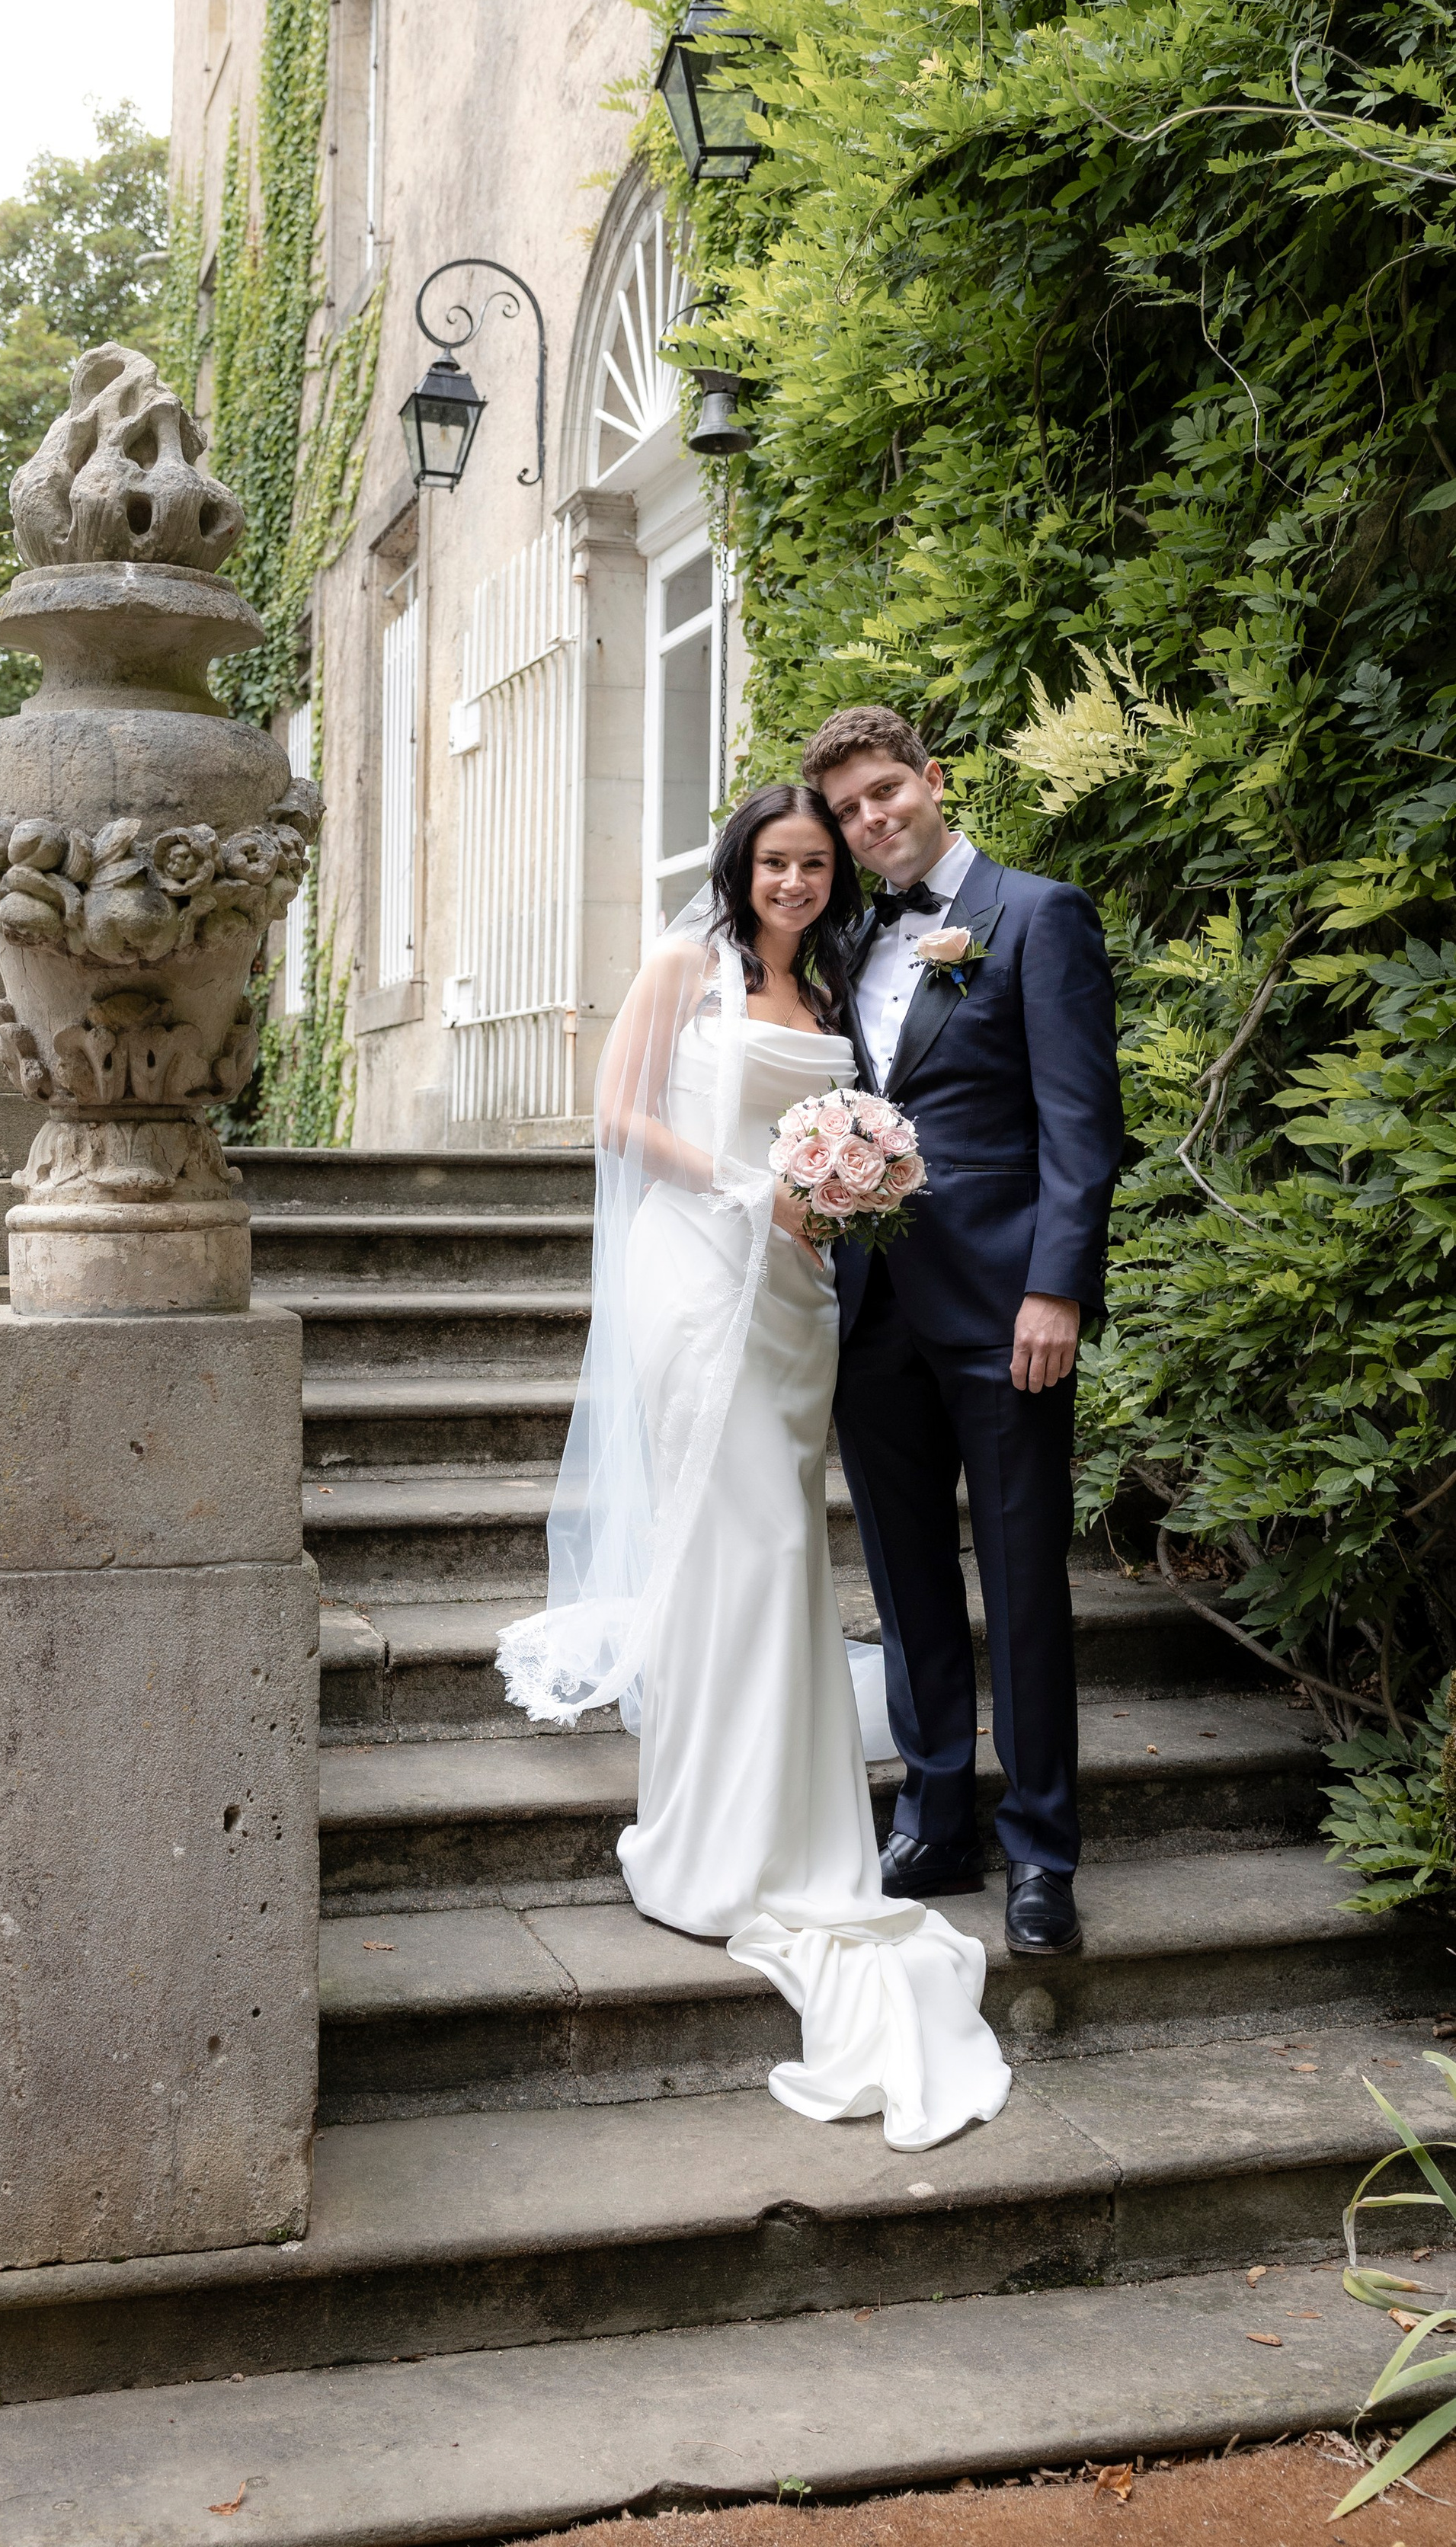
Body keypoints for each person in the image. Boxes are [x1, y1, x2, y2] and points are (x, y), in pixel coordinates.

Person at [498, 784, 1011, 2152]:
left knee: (785, 1538)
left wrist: (848, 1187)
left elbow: (857, 1126)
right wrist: (755, 1189)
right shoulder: (685, 964)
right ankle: (711, 1833)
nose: (794, 879)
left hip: (799, 1293)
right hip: (699, 1270)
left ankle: (786, 1824)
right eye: (776, 860)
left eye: (814, 863)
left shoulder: (835, 975)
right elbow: (619, 1113)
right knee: (727, 1530)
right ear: (742, 865)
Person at [802, 707, 1122, 1961]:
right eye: (850, 809)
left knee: (1025, 1580)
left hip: (1005, 1314)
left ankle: (1043, 1850)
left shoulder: (1038, 916)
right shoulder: (839, 941)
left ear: (933, 782)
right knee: (905, 1579)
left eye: (889, 792)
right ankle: (936, 1814)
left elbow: (1080, 1127)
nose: (874, 819)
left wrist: (1058, 1289)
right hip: (871, 1313)